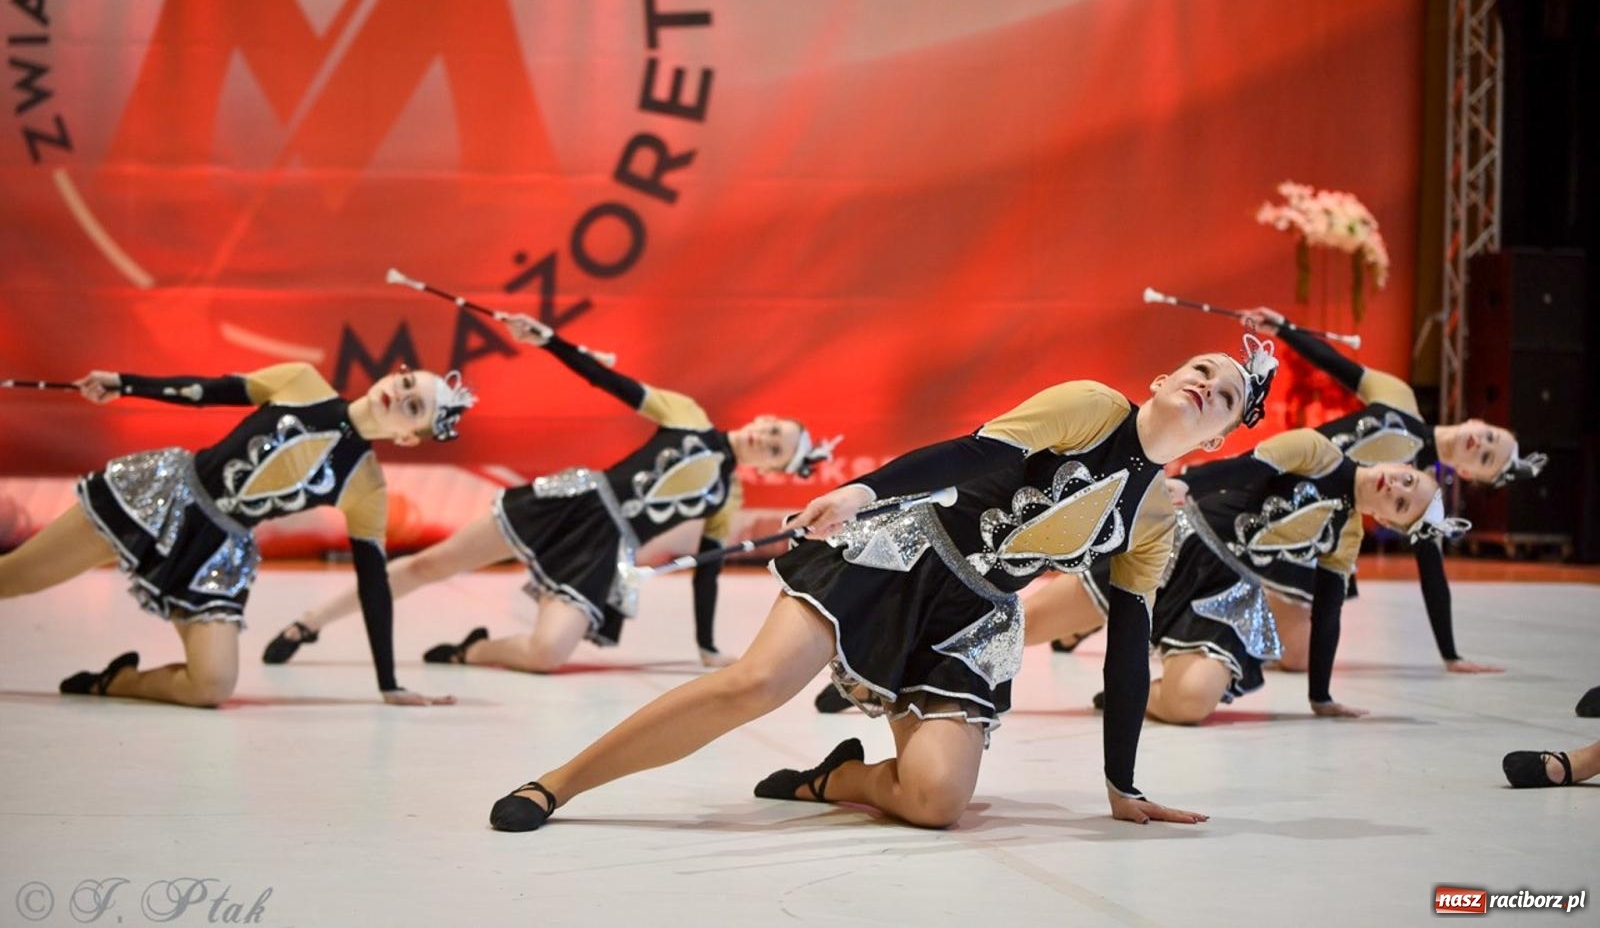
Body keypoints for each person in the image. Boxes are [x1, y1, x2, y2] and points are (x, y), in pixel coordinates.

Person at [485, 337, 1277, 833]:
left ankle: (834, 777)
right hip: (907, 550)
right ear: (1164, 377)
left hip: (972, 617)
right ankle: (557, 783)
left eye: (1231, 393)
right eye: (1202, 367)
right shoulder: (1092, 406)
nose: (1211, 382)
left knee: (938, 802)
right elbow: (971, 455)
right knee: (755, 684)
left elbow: (1129, 647)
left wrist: (1121, 782)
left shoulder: (1154, 522)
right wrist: (866, 491)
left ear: (1224, 434)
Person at [263, 316, 835, 673]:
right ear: (763, 418)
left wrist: (708, 647)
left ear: (776, 466)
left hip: (601, 554)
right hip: (574, 504)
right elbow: (608, 382)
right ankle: (309, 622)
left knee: (546, 654)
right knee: (433, 563)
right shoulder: (688, 417)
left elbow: (706, 574)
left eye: (777, 449)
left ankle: (472, 651)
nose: (766, 440)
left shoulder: (725, 497)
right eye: (774, 430)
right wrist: (552, 342)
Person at [0, 362, 472, 707]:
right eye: (408, 382)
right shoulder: (303, 383)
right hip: (166, 496)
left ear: (410, 436)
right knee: (14, 578)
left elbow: (374, 584)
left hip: (216, 551)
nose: (399, 394)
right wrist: (126, 383)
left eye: (414, 407)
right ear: (395, 373)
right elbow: (210, 390)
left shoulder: (366, 486)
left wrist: (388, 683)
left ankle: (117, 682)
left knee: (212, 686)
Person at [1026, 429, 1467, 723]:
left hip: (1226, 591)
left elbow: (1327, 615)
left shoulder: (1347, 536)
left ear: (1390, 522)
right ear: (1406, 466)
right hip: (1180, 541)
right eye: (1409, 480)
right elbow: (1248, 466)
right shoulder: (1319, 452)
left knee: (1191, 704)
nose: (1399, 489)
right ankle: (961, 662)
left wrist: (1321, 696)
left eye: (1404, 505)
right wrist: (1190, 482)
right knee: (1027, 626)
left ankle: (1129, 697)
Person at [1240, 305, 1543, 673]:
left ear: (1465, 472)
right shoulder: (1399, 398)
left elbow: (1432, 573)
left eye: (1486, 459)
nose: (1481, 446)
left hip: (1304, 533)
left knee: (1299, 658)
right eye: (1490, 439)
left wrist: (1451, 655)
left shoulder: (1419, 495)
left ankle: (1242, 597)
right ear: (1477, 422)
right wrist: (1284, 329)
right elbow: (1338, 365)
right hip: (1272, 480)